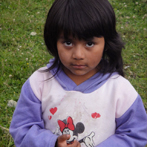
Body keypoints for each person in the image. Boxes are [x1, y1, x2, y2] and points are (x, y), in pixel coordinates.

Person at [10, 0, 147, 146]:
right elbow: (22, 129)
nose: (78, 55)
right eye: (68, 43)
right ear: (54, 41)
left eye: (89, 44)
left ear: (106, 43)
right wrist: (52, 143)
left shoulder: (120, 90)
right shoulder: (39, 83)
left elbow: (136, 134)